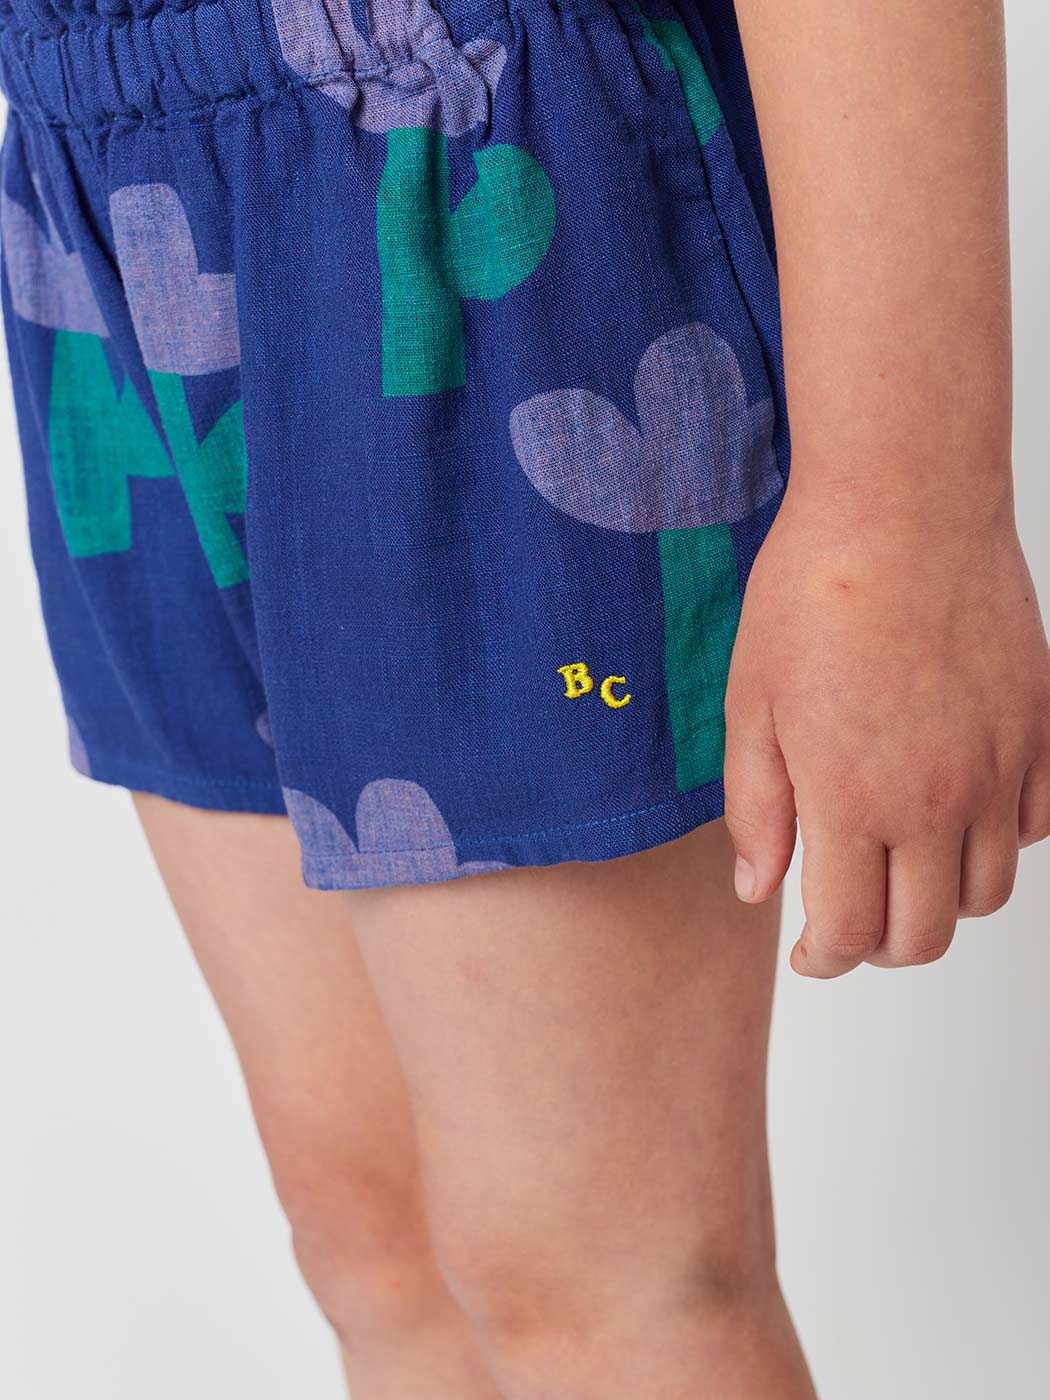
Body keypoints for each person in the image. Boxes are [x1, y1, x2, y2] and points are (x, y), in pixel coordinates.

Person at [2, 0, 1047, 1393]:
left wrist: (905, 513)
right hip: (98, 166)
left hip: (470, 153)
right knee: (375, 1242)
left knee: (596, 1283)